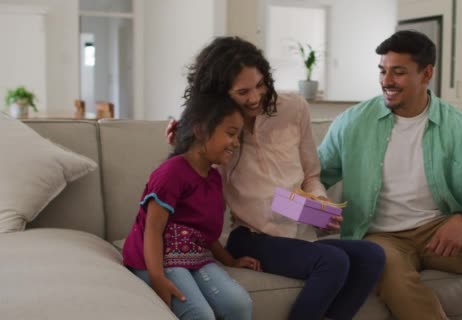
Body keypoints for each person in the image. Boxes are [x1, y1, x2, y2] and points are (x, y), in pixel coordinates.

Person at [166, 36, 386, 320]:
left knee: (372, 256)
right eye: (242, 92)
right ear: (220, 93)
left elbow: (312, 174)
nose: (255, 98)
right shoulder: (215, 129)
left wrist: (319, 205)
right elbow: (196, 183)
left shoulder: (294, 108)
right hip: (252, 235)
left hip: (298, 235)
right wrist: (179, 145)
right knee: (333, 262)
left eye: (260, 85)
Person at [317, 30, 462, 320]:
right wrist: (306, 211)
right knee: (383, 264)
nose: (386, 81)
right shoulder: (353, 123)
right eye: (383, 71)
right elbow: (311, 176)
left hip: (437, 230)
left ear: (426, 74)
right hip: (381, 236)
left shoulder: (458, 127)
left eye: (398, 72)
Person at [123, 94, 258, 320]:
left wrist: (230, 261)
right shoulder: (171, 173)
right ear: (200, 131)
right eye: (231, 134)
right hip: (157, 257)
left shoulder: (214, 178)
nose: (236, 143)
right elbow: (152, 230)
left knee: (239, 304)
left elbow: (205, 233)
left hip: (195, 256)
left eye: (238, 136)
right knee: (200, 314)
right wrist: (157, 278)